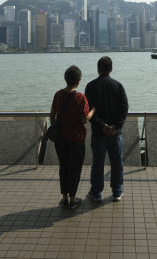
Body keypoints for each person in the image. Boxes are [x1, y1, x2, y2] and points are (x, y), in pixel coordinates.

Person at [85, 56, 129, 202]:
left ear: (98, 69)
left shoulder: (90, 86)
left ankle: (96, 192)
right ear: (111, 69)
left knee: (98, 162)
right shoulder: (118, 85)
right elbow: (124, 108)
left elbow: (88, 111)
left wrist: (102, 125)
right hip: (116, 133)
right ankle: (117, 191)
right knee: (117, 161)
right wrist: (116, 126)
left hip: (99, 132)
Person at [50, 65, 94, 209]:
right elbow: (84, 119)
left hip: (61, 138)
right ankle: (73, 199)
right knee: (74, 168)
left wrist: (56, 126)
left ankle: (64, 198)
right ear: (78, 81)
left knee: (64, 167)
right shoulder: (80, 97)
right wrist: (93, 110)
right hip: (76, 139)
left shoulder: (58, 94)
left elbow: (52, 114)